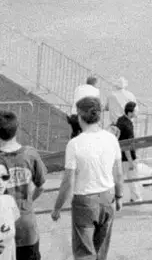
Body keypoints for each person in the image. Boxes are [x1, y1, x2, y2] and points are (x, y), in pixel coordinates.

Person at [50, 96, 122, 260]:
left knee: (84, 252)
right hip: (107, 195)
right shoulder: (111, 139)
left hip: (85, 200)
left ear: (81, 117)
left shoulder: (75, 144)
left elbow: (68, 181)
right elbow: (118, 173)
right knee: (101, 250)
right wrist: (119, 197)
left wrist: (57, 208)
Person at [0, 111, 47, 260]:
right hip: (27, 224)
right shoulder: (30, 154)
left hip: (5, 226)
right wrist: (29, 200)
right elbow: (41, 186)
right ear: (17, 129)